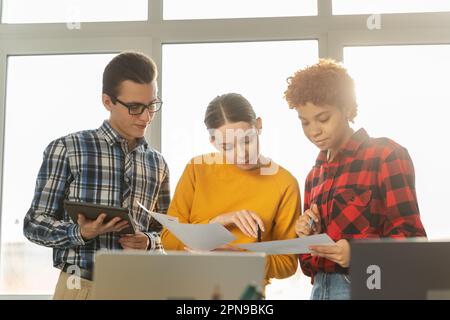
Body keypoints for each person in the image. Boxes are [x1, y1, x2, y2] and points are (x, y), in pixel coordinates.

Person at [23, 52, 170, 300]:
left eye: (152, 105)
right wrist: (80, 232)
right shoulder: (68, 149)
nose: (146, 117)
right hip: (80, 287)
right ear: (107, 101)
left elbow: (166, 233)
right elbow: (34, 224)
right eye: (135, 107)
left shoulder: (158, 163)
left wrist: (148, 241)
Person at [284, 59, 427, 300]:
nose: (313, 131)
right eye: (305, 122)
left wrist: (356, 253)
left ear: (348, 110)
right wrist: (307, 237)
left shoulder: (386, 155)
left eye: (323, 118)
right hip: (319, 289)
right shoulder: (314, 176)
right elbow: (309, 266)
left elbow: (412, 241)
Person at [161, 93, 300, 285]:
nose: (242, 154)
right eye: (227, 146)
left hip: (246, 294)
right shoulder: (197, 169)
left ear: (259, 126)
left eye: (247, 140)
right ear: (213, 142)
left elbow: (287, 263)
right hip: (189, 287)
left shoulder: (285, 183)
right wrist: (218, 223)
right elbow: (168, 240)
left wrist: (244, 259)